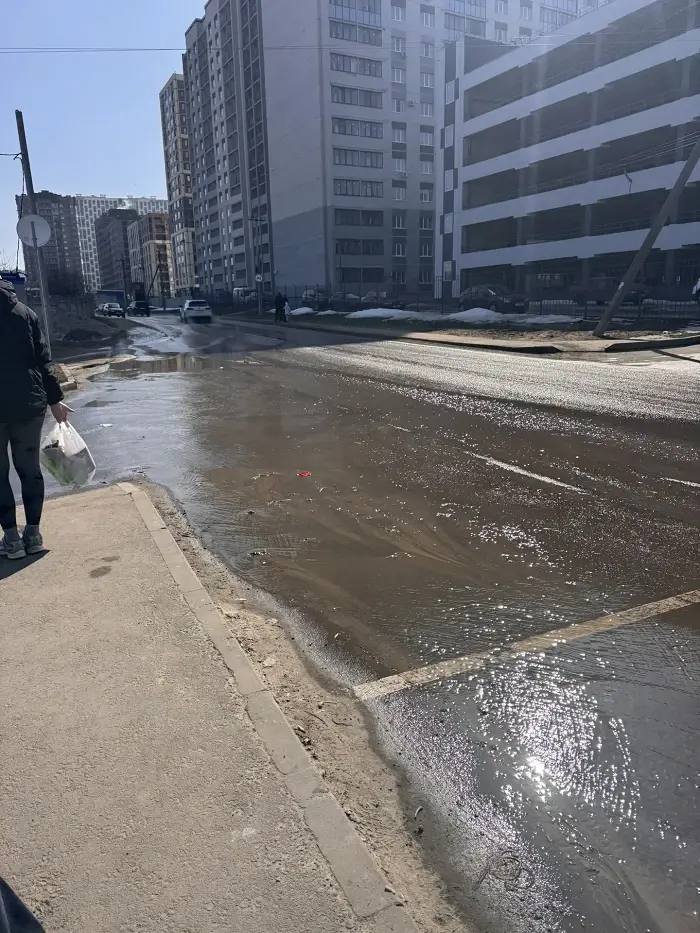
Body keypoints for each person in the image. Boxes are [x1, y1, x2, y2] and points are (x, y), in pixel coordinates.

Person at [0, 279, 70, 560]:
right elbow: (43, 360)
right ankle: (33, 534)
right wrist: (55, 400)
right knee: (29, 469)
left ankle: (12, 539)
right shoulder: (26, 313)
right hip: (29, 404)